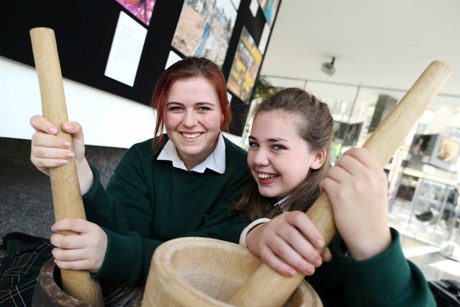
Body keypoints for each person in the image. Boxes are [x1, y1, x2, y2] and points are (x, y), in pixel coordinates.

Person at [25, 57, 251, 305]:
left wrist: (113, 253)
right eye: (176, 108)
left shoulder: (243, 170)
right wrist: (76, 167)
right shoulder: (141, 156)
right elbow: (123, 229)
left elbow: (206, 262)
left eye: (203, 108)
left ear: (223, 111)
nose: (189, 122)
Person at [234, 88, 436, 306]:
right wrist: (254, 233)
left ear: (318, 157)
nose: (258, 159)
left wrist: (375, 242)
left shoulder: (336, 227)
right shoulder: (242, 185)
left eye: (277, 146)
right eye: (254, 144)